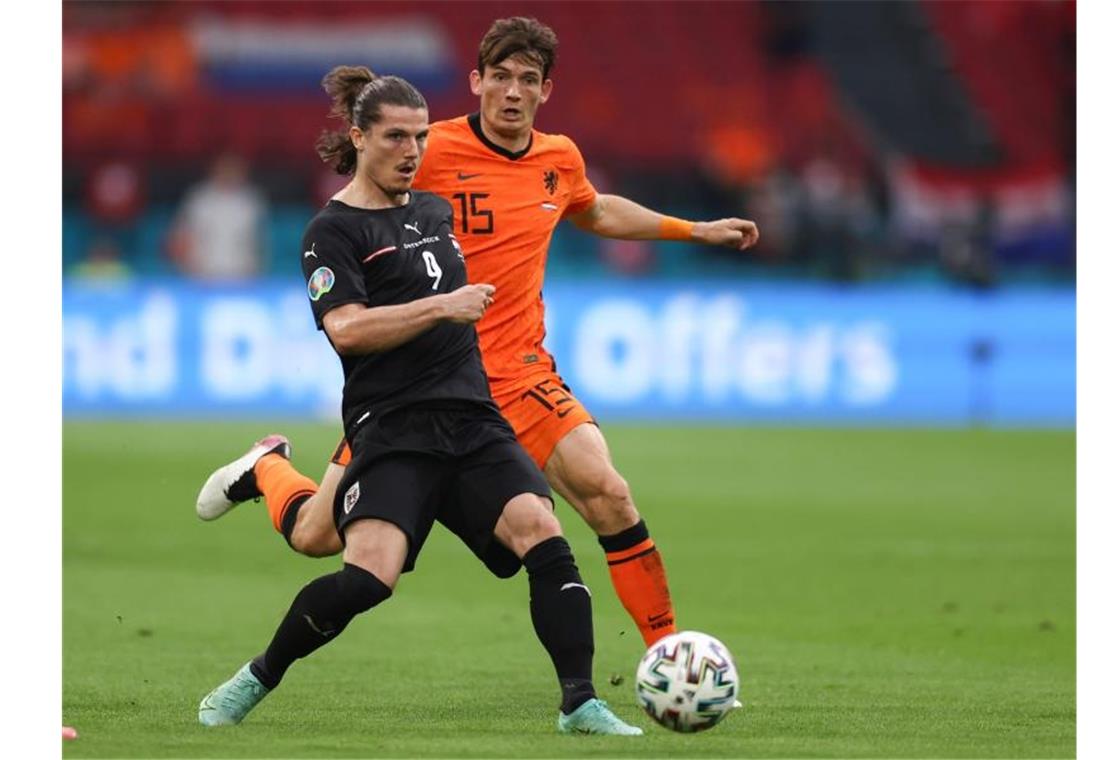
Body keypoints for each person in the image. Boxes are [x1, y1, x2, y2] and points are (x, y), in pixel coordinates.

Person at [198, 17, 758, 649]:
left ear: (546, 91)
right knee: (315, 538)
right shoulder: (425, 147)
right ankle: (268, 469)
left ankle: (669, 657)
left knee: (609, 494)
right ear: (477, 82)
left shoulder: (559, 158)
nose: (512, 92)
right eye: (500, 78)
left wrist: (695, 230)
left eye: (527, 80)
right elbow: (357, 201)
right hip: (420, 386)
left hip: (520, 375)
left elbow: (594, 209)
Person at [197, 70, 641, 736]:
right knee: (364, 578)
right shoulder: (331, 232)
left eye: (421, 135)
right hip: (393, 428)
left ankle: (579, 702)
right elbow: (346, 328)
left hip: (472, 416)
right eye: (396, 136)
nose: (413, 150)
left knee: (544, 537)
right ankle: (258, 674)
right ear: (359, 138)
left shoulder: (432, 209)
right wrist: (443, 307)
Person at [168, 153, 266, 280]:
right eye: (225, 168)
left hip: (242, 275)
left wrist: (254, 272)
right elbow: (179, 239)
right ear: (214, 170)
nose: (229, 172)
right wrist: (189, 268)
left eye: (233, 169)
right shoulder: (198, 198)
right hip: (201, 275)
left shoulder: (251, 200)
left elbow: (259, 242)